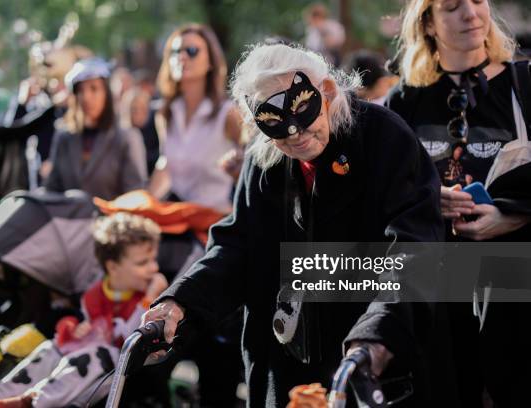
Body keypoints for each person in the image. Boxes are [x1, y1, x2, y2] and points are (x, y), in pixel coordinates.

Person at [143, 42, 444, 407]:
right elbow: (237, 248)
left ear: (328, 91)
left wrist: (381, 329)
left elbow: (414, 246)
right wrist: (181, 300)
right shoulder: (265, 159)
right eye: (274, 124)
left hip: (367, 355)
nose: (294, 133)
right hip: (287, 358)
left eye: (303, 111)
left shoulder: (384, 137)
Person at [386, 0, 531, 405]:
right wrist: (429, 199)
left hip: (516, 287)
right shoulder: (404, 101)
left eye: (478, 1)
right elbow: (385, 192)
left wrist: (511, 215)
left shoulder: (526, 85)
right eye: (452, 7)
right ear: (427, 24)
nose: (470, 14)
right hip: (437, 290)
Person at [0, 213, 169, 408]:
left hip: (116, 366)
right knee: (49, 349)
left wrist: (150, 297)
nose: (154, 268)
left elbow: (133, 335)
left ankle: (30, 402)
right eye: (143, 262)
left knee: (93, 355)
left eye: (153, 260)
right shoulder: (93, 295)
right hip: (82, 358)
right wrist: (73, 329)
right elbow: (87, 323)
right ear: (112, 266)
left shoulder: (149, 299)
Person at [149, 23, 243, 213]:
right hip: (177, 218)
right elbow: (165, 164)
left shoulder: (228, 113)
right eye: (176, 51)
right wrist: (146, 204)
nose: (181, 57)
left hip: (215, 221)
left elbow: (250, 168)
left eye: (191, 51)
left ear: (210, 62)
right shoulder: (165, 114)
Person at [45, 58, 147, 200]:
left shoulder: (127, 137)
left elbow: (134, 193)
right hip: (69, 219)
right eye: (80, 90)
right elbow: (52, 189)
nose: (86, 97)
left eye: (94, 89)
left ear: (107, 93)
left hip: (112, 220)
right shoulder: (64, 137)